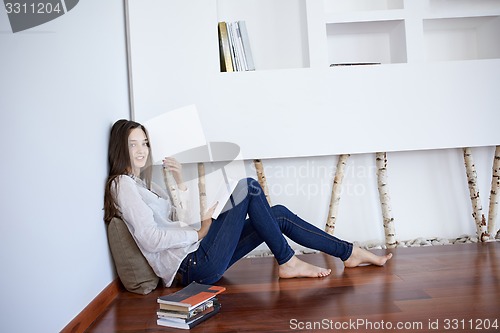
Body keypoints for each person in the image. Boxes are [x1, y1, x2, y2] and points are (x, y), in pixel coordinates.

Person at [104, 119, 392, 287]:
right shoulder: (122, 185)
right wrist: (201, 232)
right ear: (121, 147)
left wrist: (180, 183)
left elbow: (176, 219)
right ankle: (288, 261)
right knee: (248, 187)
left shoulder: (145, 186)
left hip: (197, 254)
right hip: (193, 264)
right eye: (133, 144)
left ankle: (348, 252)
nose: (141, 150)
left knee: (276, 214)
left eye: (144, 143)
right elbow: (152, 239)